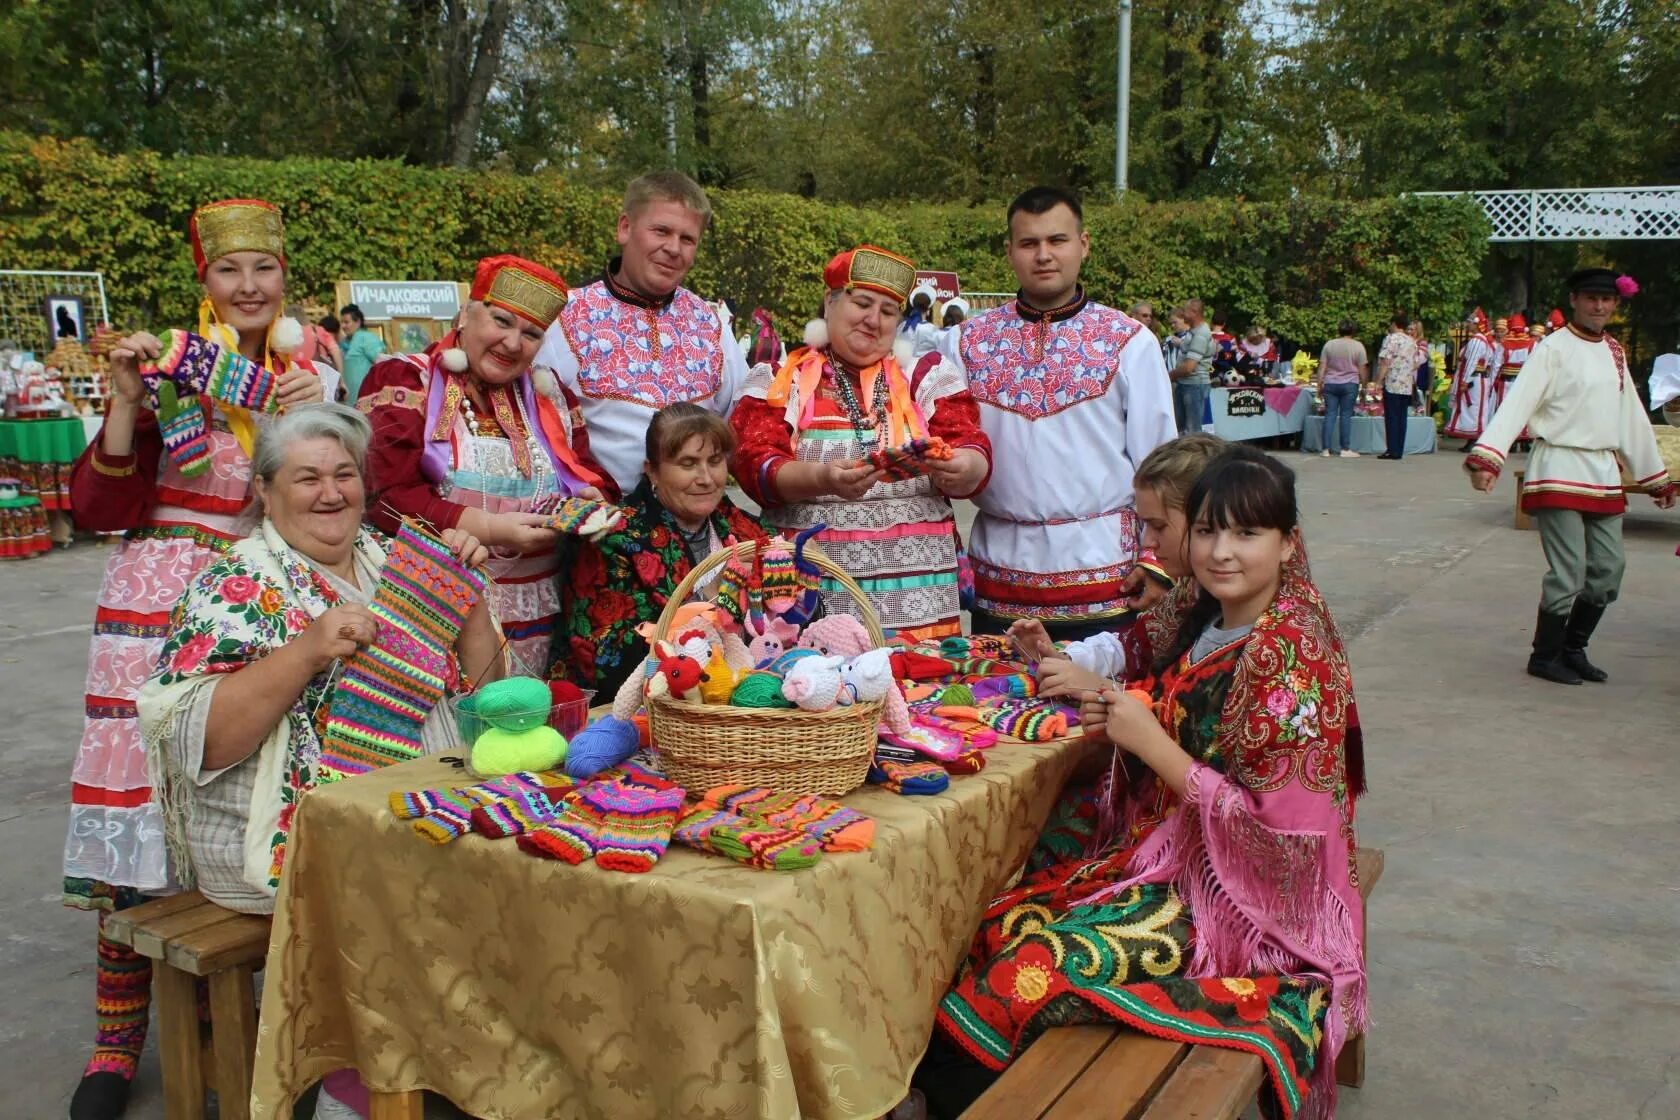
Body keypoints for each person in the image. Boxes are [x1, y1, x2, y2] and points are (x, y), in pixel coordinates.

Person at [921, 446, 1366, 1120]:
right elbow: (1152, 676)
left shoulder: (1290, 658)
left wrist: (1150, 740)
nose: (1222, 551)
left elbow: (1286, 851)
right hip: (1179, 848)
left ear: (1287, 544)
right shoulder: (1208, 607)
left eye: (1248, 533)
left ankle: (974, 1095)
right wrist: (1136, 714)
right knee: (999, 909)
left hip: (1252, 909)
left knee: (1032, 961)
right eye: (1210, 530)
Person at [139, 404, 500, 1120]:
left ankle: (460, 1071)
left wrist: (470, 608)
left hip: (398, 813)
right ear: (265, 492)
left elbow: (486, 705)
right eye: (307, 478)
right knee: (409, 886)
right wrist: (305, 650)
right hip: (275, 835)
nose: (330, 492)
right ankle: (359, 1086)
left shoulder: (396, 563)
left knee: (512, 868)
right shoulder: (234, 585)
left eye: (344, 475)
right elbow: (199, 744)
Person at [61, 197, 329, 1120]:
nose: (249, 286)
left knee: (242, 802)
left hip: (260, 602)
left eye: (265, 269)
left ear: (284, 279)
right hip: (155, 598)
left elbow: (336, 489)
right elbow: (98, 508)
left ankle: (239, 1022)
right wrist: (127, 406)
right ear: (205, 282)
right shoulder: (170, 371)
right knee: (140, 810)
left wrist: (316, 414)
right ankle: (112, 1043)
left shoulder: (310, 371)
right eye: (229, 271)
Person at [359, 255, 611, 674]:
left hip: (543, 616)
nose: (513, 344)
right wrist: (492, 529)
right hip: (437, 611)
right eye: (501, 321)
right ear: (465, 314)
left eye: (531, 333)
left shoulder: (552, 397)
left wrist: (590, 504)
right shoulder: (405, 381)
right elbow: (382, 495)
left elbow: (587, 473)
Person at [731, 245, 991, 639]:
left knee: (922, 693)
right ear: (829, 303)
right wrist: (823, 479)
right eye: (862, 303)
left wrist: (963, 469)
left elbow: (971, 444)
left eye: (888, 312)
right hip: (811, 592)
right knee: (818, 691)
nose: (874, 319)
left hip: (920, 598)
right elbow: (755, 464)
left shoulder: (925, 376)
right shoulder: (782, 379)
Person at [957, 186, 1176, 642]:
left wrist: (1157, 561)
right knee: (996, 707)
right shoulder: (964, 343)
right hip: (999, 574)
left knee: (1103, 708)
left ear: (1084, 245)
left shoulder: (1129, 341)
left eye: (1057, 240)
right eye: (1028, 243)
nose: (1043, 255)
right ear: (1010, 251)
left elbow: (1162, 461)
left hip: (1107, 575)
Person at [1466, 268, 1675, 685]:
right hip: (1558, 467)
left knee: (1608, 570)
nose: (1599, 306)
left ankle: (1573, 648)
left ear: (1615, 304)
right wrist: (1488, 457)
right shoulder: (1552, 349)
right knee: (1569, 570)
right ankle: (1544, 656)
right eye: (1591, 298)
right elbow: (1518, 402)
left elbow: (1630, 416)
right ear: (1575, 300)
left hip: (1601, 470)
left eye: (1607, 299)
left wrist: (1655, 478)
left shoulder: (1614, 351)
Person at [533, 171, 748, 496]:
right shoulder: (568, 316)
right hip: (602, 524)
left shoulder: (711, 323)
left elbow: (745, 423)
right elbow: (538, 431)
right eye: (661, 231)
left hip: (696, 529)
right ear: (625, 227)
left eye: (687, 239)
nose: (674, 248)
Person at [558, 403, 769, 697]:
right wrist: (720, 593)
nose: (706, 478)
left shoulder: (742, 527)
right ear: (653, 471)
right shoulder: (614, 539)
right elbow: (609, 663)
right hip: (654, 715)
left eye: (715, 460)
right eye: (688, 463)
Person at [1009, 432, 1228, 698]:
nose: (1147, 541)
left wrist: (1101, 688)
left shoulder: (1249, 615)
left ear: (1206, 522)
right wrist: (1064, 661)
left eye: (1158, 526)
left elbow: (1192, 708)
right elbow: (1132, 646)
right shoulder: (1190, 591)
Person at [1445, 307, 1496, 451]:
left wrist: (1465, 381)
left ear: (1476, 324)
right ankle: (1471, 439)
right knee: (1474, 409)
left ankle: (1474, 439)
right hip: (1478, 379)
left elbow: (1472, 361)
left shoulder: (1477, 340)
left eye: (1469, 323)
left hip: (1474, 380)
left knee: (1473, 409)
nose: (1467, 325)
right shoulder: (1483, 340)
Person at [1315, 319, 1368, 458]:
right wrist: (1364, 387)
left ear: (1339, 330)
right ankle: (1345, 448)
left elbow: (1322, 367)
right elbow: (1362, 369)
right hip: (1350, 384)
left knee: (1330, 415)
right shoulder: (1358, 346)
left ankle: (1325, 449)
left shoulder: (1329, 345)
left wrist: (1319, 384)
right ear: (1353, 331)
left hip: (1331, 383)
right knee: (1345, 415)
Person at [1169, 298, 1214, 434]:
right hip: (1186, 384)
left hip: (1193, 386)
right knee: (1182, 429)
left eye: (1185, 310)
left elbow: (1189, 367)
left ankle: (1195, 456)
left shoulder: (1200, 334)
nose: (1182, 313)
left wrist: (1168, 376)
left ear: (1194, 312)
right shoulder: (1194, 331)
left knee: (1193, 430)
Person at [1376, 313, 1417, 460]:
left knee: (1391, 417)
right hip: (1406, 384)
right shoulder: (1412, 341)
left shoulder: (1390, 339)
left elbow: (1385, 362)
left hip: (1392, 383)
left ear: (1394, 324)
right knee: (1402, 418)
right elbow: (1416, 362)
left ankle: (1391, 449)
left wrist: (1379, 380)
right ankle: (1399, 449)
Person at [336, 303, 386, 400]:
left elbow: (382, 363)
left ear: (358, 322)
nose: (343, 326)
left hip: (366, 397)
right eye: (341, 322)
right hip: (348, 398)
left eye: (346, 322)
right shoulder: (344, 342)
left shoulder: (366, 338)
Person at [287, 302, 344, 373]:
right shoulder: (318, 330)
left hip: (292, 375)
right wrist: (340, 375)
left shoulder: (283, 335)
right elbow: (335, 351)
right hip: (319, 374)